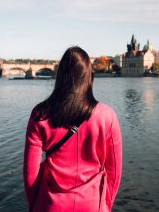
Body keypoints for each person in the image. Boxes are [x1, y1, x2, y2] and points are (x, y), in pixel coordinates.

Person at [23, 46, 122, 212]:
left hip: (50, 204)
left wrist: (34, 205)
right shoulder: (107, 116)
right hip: (93, 205)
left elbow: (30, 173)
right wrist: (105, 205)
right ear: (89, 76)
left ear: (60, 76)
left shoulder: (40, 115)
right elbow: (114, 172)